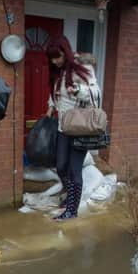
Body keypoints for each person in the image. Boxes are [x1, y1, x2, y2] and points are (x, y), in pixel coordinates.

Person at [45, 35, 100, 220]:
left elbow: (96, 94)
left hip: (79, 127)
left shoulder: (82, 69)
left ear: (65, 52)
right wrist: (51, 106)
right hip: (63, 127)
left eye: (58, 56)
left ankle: (71, 211)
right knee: (61, 166)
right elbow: (55, 93)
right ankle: (71, 195)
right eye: (52, 58)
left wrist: (78, 90)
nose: (55, 61)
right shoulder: (58, 72)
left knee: (74, 169)